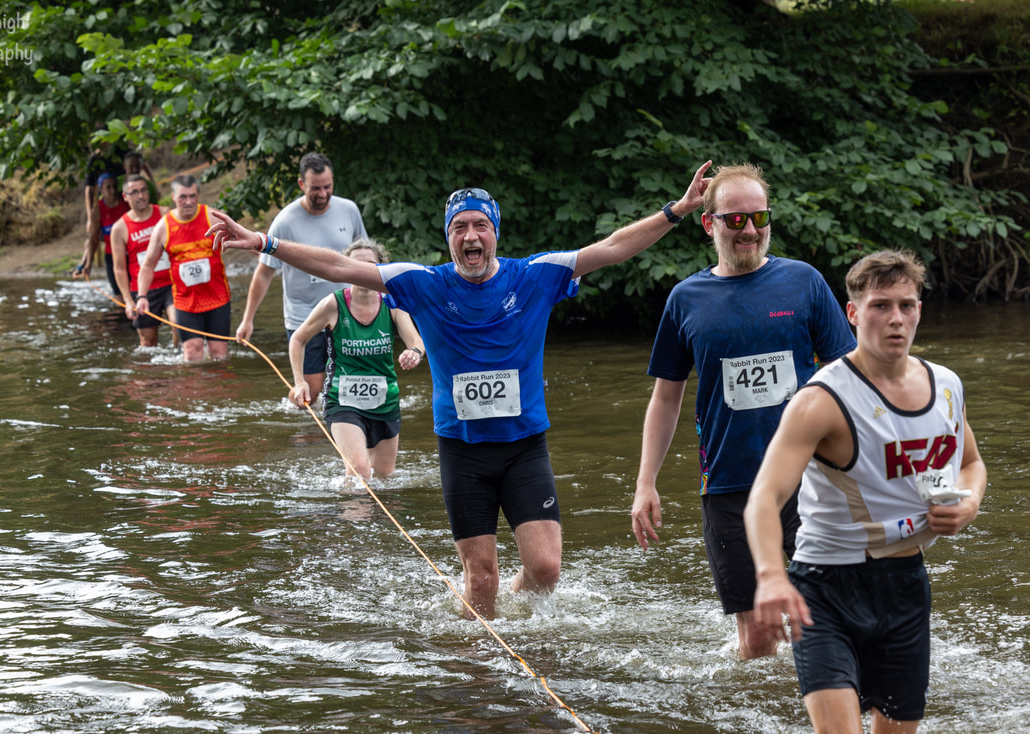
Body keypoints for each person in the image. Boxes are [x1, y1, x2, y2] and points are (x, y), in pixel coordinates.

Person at [207, 160, 714, 619]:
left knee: (546, 571)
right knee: (482, 582)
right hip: (463, 453)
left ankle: (512, 613)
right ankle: (481, 676)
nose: (471, 236)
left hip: (523, 447)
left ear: (495, 232)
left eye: (480, 226)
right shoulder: (422, 282)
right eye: (459, 228)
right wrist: (264, 243)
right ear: (448, 238)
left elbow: (610, 249)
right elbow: (339, 267)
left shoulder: (536, 276)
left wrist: (676, 211)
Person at [744, 249, 987, 733]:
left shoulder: (947, 385)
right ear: (853, 313)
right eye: (880, 306)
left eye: (906, 305)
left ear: (919, 309)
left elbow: (972, 464)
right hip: (824, 590)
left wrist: (968, 503)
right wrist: (772, 576)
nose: (895, 319)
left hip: (905, 586)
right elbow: (763, 499)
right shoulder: (820, 400)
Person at [630, 162, 857, 659]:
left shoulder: (804, 283)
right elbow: (666, 397)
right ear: (709, 224)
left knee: (822, 623)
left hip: (811, 479)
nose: (749, 230)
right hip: (729, 486)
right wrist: (646, 482)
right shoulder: (686, 299)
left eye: (759, 218)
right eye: (735, 220)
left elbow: (849, 378)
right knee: (757, 640)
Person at [288, 239, 425, 482]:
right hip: (343, 401)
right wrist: (300, 382)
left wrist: (414, 353)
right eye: (356, 265)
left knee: (384, 478)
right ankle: (353, 519)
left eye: (370, 265)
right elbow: (298, 339)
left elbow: (416, 341)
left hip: (385, 401)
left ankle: (366, 518)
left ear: (381, 269)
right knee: (359, 471)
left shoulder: (392, 303)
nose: (363, 271)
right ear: (346, 268)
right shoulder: (333, 304)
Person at [236, 152, 368, 398]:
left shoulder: (348, 210)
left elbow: (366, 260)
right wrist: (248, 319)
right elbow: (264, 273)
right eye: (315, 188)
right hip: (303, 316)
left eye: (328, 187)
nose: (323, 194)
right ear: (301, 185)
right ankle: (303, 423)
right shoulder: (284, 222)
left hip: (345, 312)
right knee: (313, 393)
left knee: (350, 389)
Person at [135, 175, 232, 362]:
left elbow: (242, 239)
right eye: (183, 197)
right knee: (192, 352)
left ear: (198, 195)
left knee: (218, 354)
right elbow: (148, 264)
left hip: (217, 298)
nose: (189, 202)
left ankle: (220, 390)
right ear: (173, 197)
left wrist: (264, 253)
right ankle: (193, 390)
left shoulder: (212, 217)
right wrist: (141, 296)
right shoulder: (164, 226)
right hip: (186, 302)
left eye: (193, 196)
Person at [109, 174, 176, 348]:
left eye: (144, 190)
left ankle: (182, 362)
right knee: (148, 342)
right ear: (125, 197)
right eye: (135, 192)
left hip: (172, 283)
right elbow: (119, 269)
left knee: (180, 326)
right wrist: (128, 301)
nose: (141, 196)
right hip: (143, 291)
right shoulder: (119, 228)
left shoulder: (164, 213)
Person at [77, 172, 131, 294]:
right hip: (112, 257)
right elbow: (94, 238)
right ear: (101, 189)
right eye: (108, 187)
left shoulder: (126, 203)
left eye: (114, 186)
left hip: (131, 254)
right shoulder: (98, 209)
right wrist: (88, 263)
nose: (112, 191)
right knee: (119, 295)